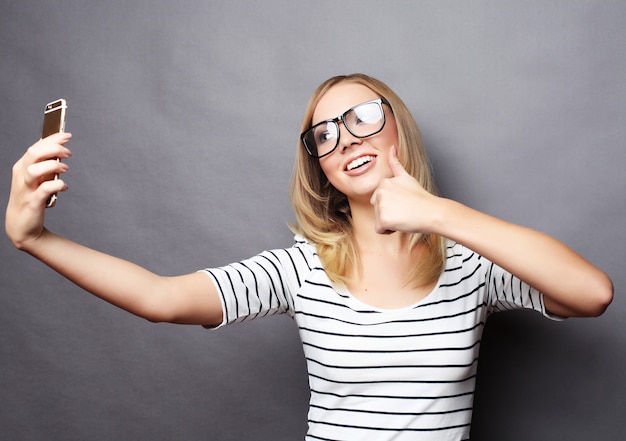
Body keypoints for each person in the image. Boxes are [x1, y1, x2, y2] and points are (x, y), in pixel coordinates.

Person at [6, 73, 613, 440]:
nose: (346, 137)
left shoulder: (471, 264)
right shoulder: (300, 270)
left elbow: (592, 293)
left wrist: (437, 213)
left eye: (364, 118)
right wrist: (35, 239)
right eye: (325, 134)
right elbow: (161, 299)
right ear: (320, 167)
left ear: (398, 129)